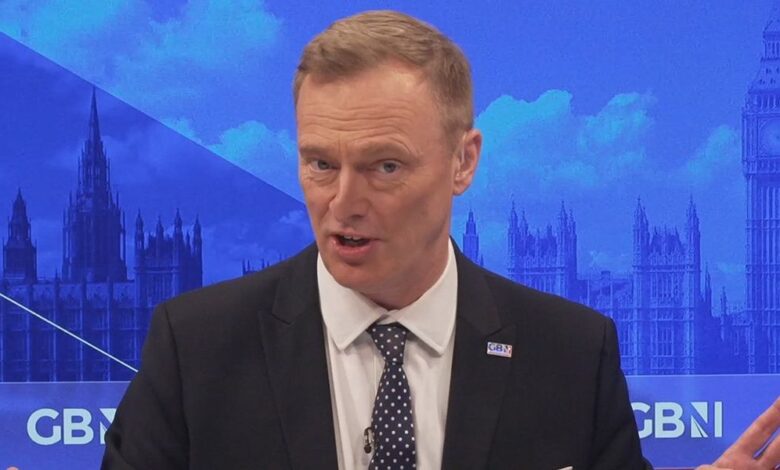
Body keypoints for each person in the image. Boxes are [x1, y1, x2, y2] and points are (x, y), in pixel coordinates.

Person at [101, 10, 776, 469]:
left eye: (385, 166)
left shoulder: (572, 351)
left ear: (463, 161)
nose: (343, 202)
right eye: (321, 164)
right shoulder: (196, 346)